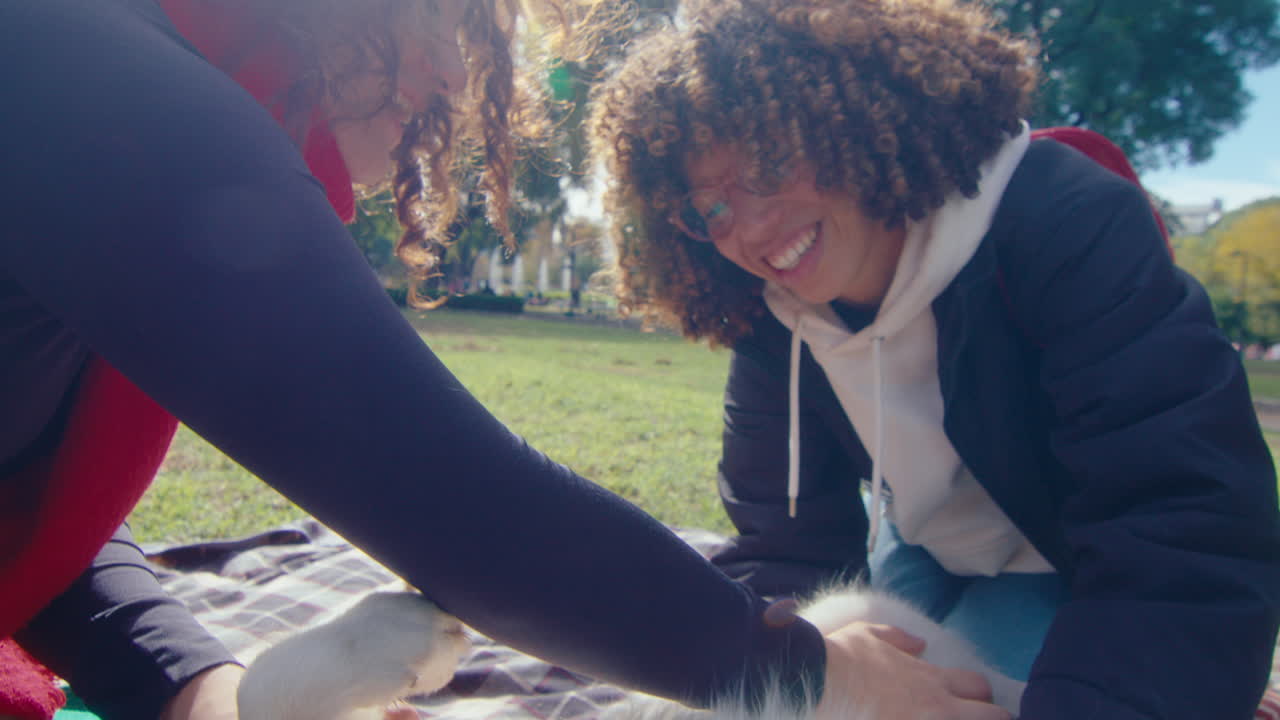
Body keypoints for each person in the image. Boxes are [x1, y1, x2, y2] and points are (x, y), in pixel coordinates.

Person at [0, 0, 996, 718]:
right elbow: (452, 500)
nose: (454, 70)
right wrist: (809, 673)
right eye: (448, 12)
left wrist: (195, 688)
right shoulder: (81, 67)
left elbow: (35, 531)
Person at [588, 0, 1280, 717]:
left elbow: (1182, 527)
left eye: (768, 160)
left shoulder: (1064, 222)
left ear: (847, 117)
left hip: (1072, 560)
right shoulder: (772, 321)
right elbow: (787, 547)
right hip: (925, 546)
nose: (752, 228)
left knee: (956, 689)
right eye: (711, 211)